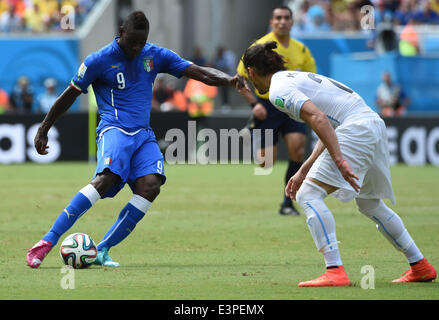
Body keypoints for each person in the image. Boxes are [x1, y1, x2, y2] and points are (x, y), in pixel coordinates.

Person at [26, 11, 244, 269]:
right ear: (121, 32)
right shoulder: (99, 60)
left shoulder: (154, 55)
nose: (136, 48)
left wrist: (229, 80)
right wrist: (44, 128)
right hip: (114, 129)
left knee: (151, 186)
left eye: (141, 43)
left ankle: (103, 249)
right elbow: (70, 95)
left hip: (142, 134)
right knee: (105, 180)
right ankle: (47, 241)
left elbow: (198, 72)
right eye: (132, 42)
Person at [241, 41, 436, 286]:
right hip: (371, 124)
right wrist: (304, 169)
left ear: (251, 72)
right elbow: (327, 125)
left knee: (308, 195)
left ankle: (334, 271)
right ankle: (420, 265)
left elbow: (320, 119)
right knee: (369, 203)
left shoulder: (278, 91)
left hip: (355, 129)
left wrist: (339, 159)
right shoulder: (292, 78)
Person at [237, 5, 317, 216]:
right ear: (272, 22)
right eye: (278, 18)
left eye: (286, 18)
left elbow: (311, 80)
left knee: (298, 149)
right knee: (266, 162)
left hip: (292, 105)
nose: (282, 21)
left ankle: (287, 203)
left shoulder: (301, 50)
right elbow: (240, 78)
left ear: (292, 22)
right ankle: (253, 124)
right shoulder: (259, 46)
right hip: (266, 106)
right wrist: (254, 104)